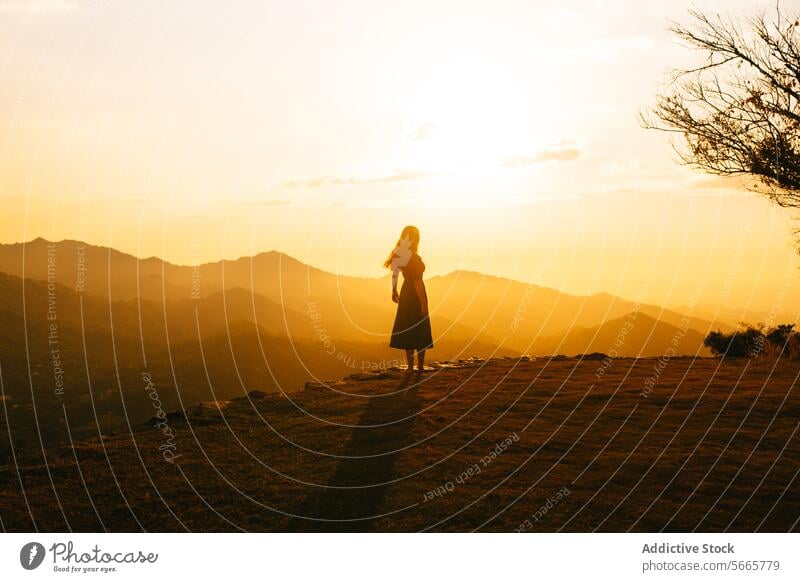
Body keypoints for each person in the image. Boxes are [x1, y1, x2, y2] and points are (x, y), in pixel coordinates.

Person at [384, 225, 433, 374]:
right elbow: (417, 282)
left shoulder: (400, 254)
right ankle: (419, 366)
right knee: (420, 328)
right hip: (416, 294)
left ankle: (411, 367)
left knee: (407, 328)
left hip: (405, 293)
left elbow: (395, 274)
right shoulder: (414, 258)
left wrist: (394, 290)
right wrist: (423, 305)